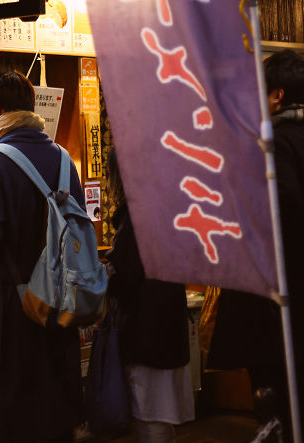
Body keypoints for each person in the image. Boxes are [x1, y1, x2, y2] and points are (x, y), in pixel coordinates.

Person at [207, 50, 304, 443]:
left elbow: (280, 215)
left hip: (276, 307)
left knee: (279, 409)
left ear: (275, 95)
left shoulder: (270, 145)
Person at [0, 71, 83, 443]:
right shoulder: (63, 160)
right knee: (51, 413)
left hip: (9, 311)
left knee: (7, 417)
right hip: (57, 305)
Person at [105, 148, 193, 442]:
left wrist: (104, 274)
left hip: (146, 333)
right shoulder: (169, 206)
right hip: (168, 327)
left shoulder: (138, 217)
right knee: (160, 417)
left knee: (149, 415)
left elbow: (125, 276)